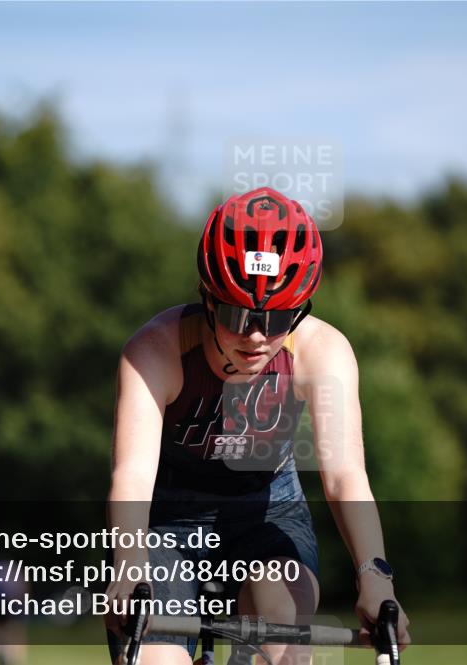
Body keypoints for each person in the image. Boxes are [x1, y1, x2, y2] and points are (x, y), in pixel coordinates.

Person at [105, 187, 411, 665]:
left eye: (278, 318)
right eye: (236, 315)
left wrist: (375, 577)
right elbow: (132, 476)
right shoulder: (154, 351)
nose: (256, 336)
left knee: (284, 637)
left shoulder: (322, 352)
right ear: (207, 299)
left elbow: (345, 475)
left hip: (268, 512)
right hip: (168, 521)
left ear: (302, 310)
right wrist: (128, 566)